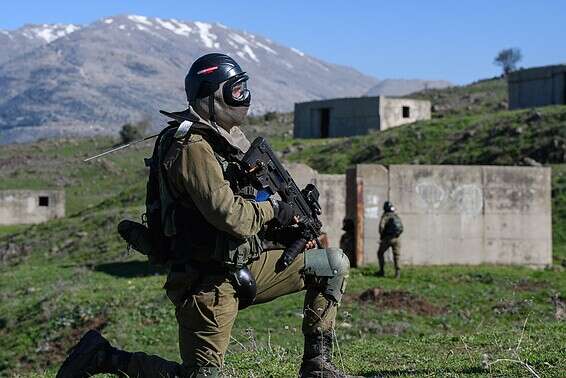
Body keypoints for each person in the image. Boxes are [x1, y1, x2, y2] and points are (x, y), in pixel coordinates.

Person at [57, 53, 358, 378]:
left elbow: (246, 213)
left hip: (244, 265)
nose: (245, 98)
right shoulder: (193, 147)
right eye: (236, 90)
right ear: (212, 95)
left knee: (331, 265)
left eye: (245, 88)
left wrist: (286, 224)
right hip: (206, 280)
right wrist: (274, 207)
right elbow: (235, 218)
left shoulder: (225, 142)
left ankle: (317, 365)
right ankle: (104, 357)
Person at [376, 201, 403, 279]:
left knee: (380, 253)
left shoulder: (385, 216)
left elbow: (381, 227)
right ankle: (397, 273)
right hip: (397, 239)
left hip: (387, 239)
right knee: (397, 255)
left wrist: (382, 236)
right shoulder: (396, 215)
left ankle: (382, 271)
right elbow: (401, 227)